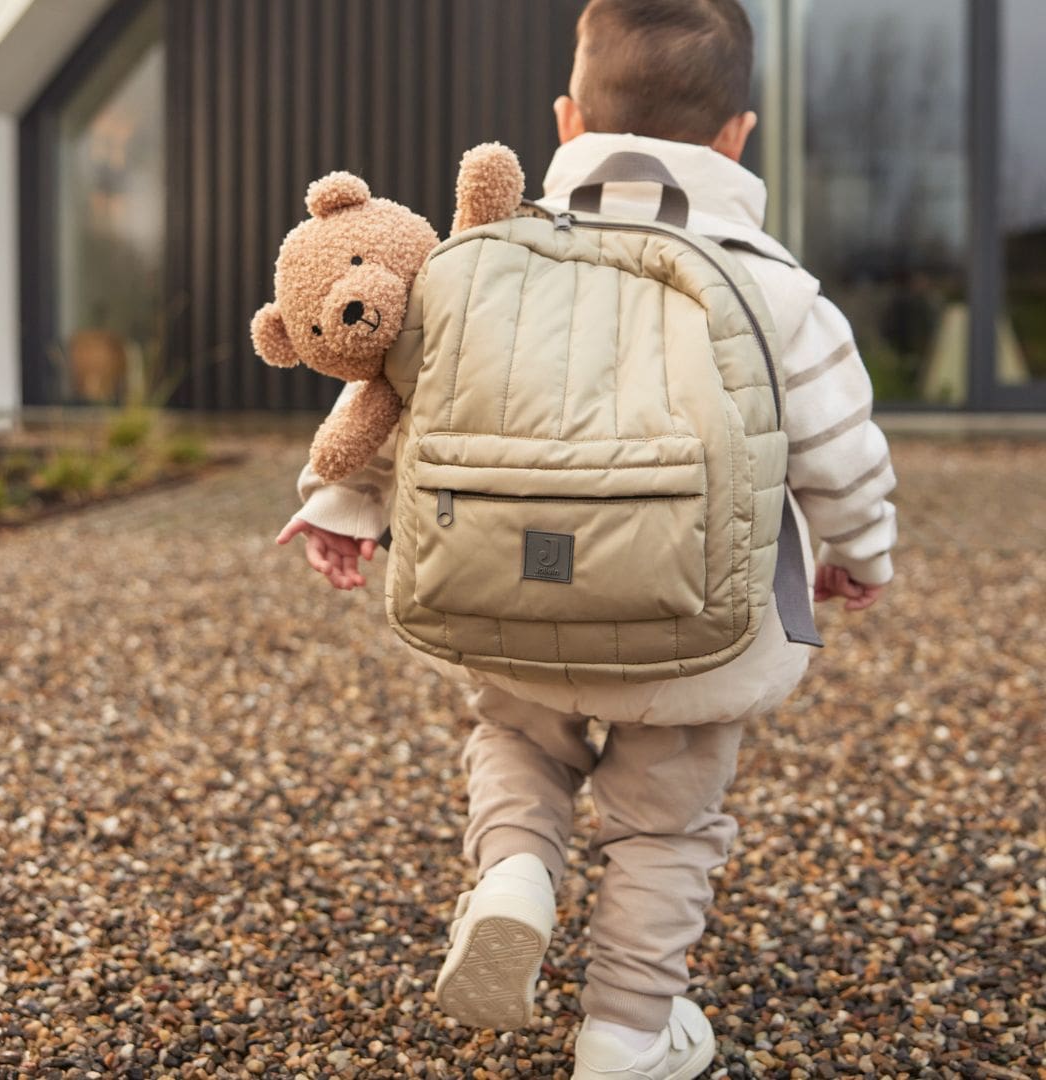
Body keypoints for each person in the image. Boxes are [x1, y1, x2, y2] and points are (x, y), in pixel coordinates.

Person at [276, 1, 897, 1076]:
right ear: (738, 137)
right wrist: (859, 553)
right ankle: (626, 1034)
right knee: (665, 827)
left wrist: (340, 507)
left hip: (507, 605)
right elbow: (844, 454)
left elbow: (399, 405)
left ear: (568, 122)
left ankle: (516, 874)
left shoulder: (480, 265)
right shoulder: (784, 294)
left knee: (518, 743)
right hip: (694, 621)